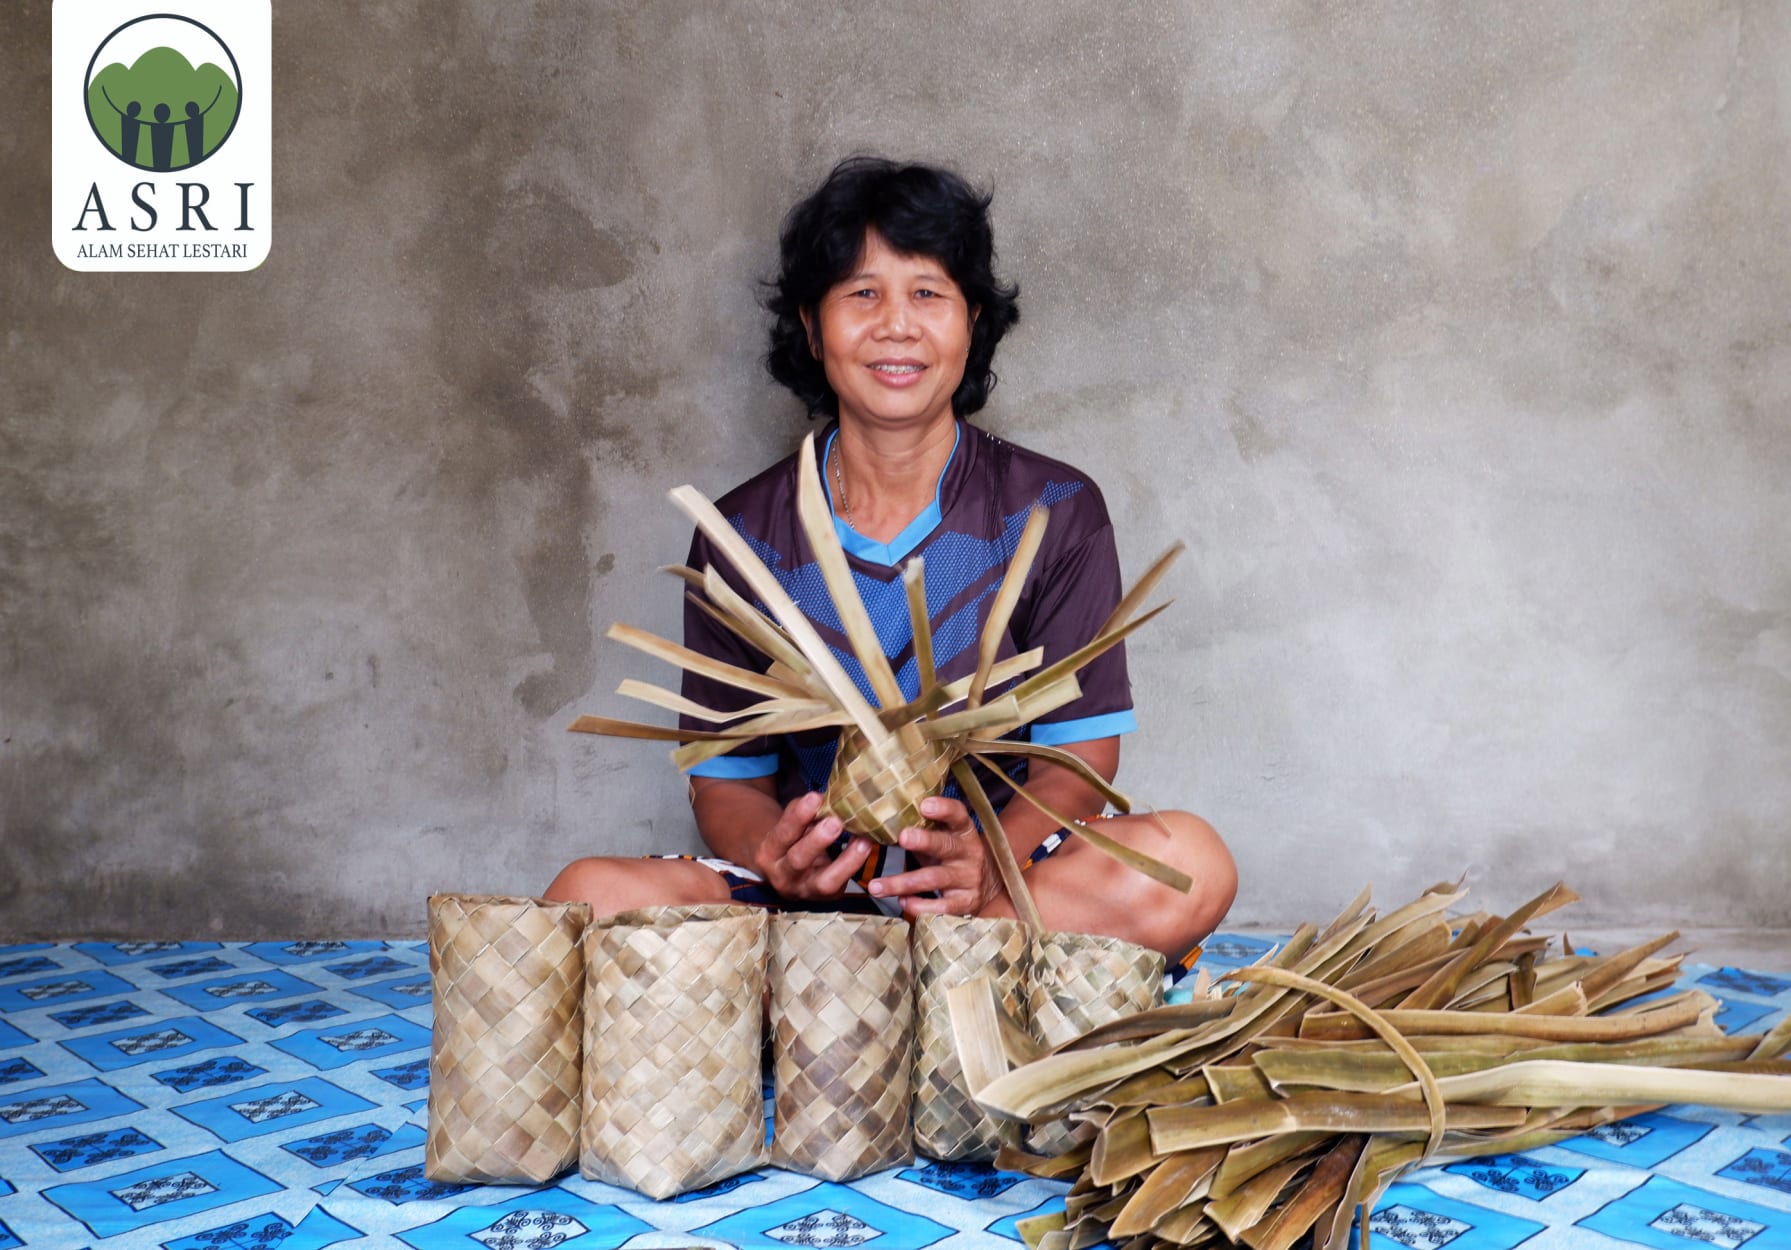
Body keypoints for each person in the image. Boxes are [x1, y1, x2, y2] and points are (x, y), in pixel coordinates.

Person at [547, 157, 1235, 965]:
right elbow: (727, 780)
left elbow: (1081, 755)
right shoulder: (742, 534)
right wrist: (781, 855)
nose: (896, 325)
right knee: (586, 897)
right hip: (808, 913)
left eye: (927, 293)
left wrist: (987, 867)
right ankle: (936, 991)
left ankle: (858, 994)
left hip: (999, 891)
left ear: (971, 320)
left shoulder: (1051, 511)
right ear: (811, 325)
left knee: (1189, 863)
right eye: (862, 293)